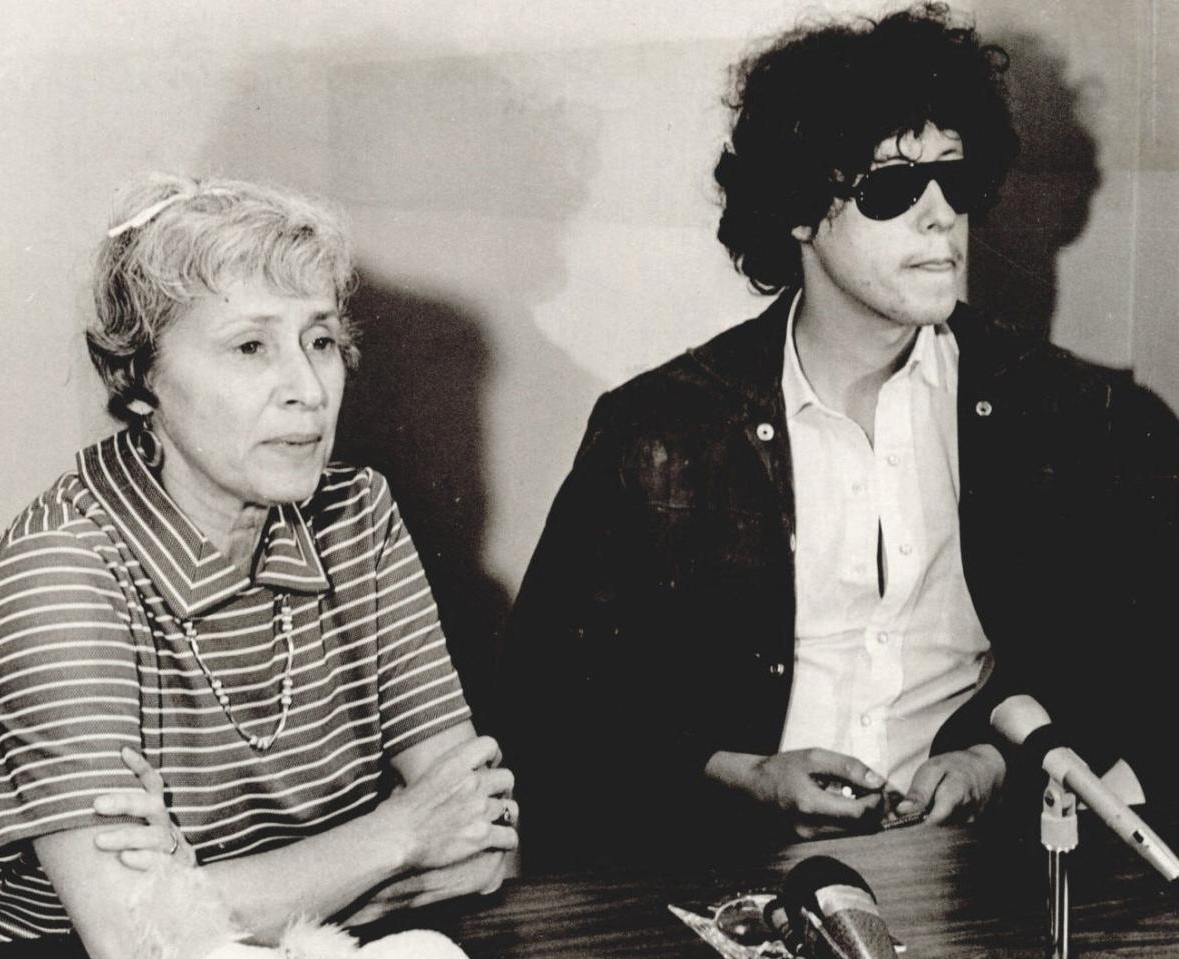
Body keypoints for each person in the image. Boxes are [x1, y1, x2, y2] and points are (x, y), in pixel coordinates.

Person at [502, 2, 1179, 867]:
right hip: (727, 885)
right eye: (892, 186)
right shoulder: (659, 429)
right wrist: (742, 776)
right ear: (797, 211)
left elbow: (1138, 670)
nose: (941, 217)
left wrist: (993, 760)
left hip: (977, 879)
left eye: (956, 181)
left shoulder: (1065, 415)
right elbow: (547, 710)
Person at [0, 174, 519, 955]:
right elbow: (131, 939)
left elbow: (489, 849)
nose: (308, 390)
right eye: (250, 346)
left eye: (320, 341)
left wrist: (197, 894)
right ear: (137, 376)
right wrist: (401, 833)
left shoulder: (359, 515)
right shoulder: (58, 571)